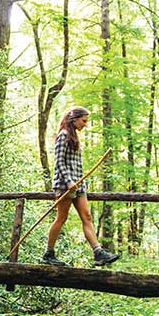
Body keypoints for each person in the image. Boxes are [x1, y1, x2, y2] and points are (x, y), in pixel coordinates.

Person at [43, 106, 119, 267]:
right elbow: (59, 162)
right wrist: (69, 181)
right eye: (83, 121)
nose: (85, 124)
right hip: (65, 185)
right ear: (74, 119)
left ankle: (98, 252)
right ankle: (49, 253)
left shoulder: (74, 136)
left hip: (79, 185)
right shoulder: (63, 136)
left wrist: (78, 183)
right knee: (61, 218)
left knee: (87, 217)